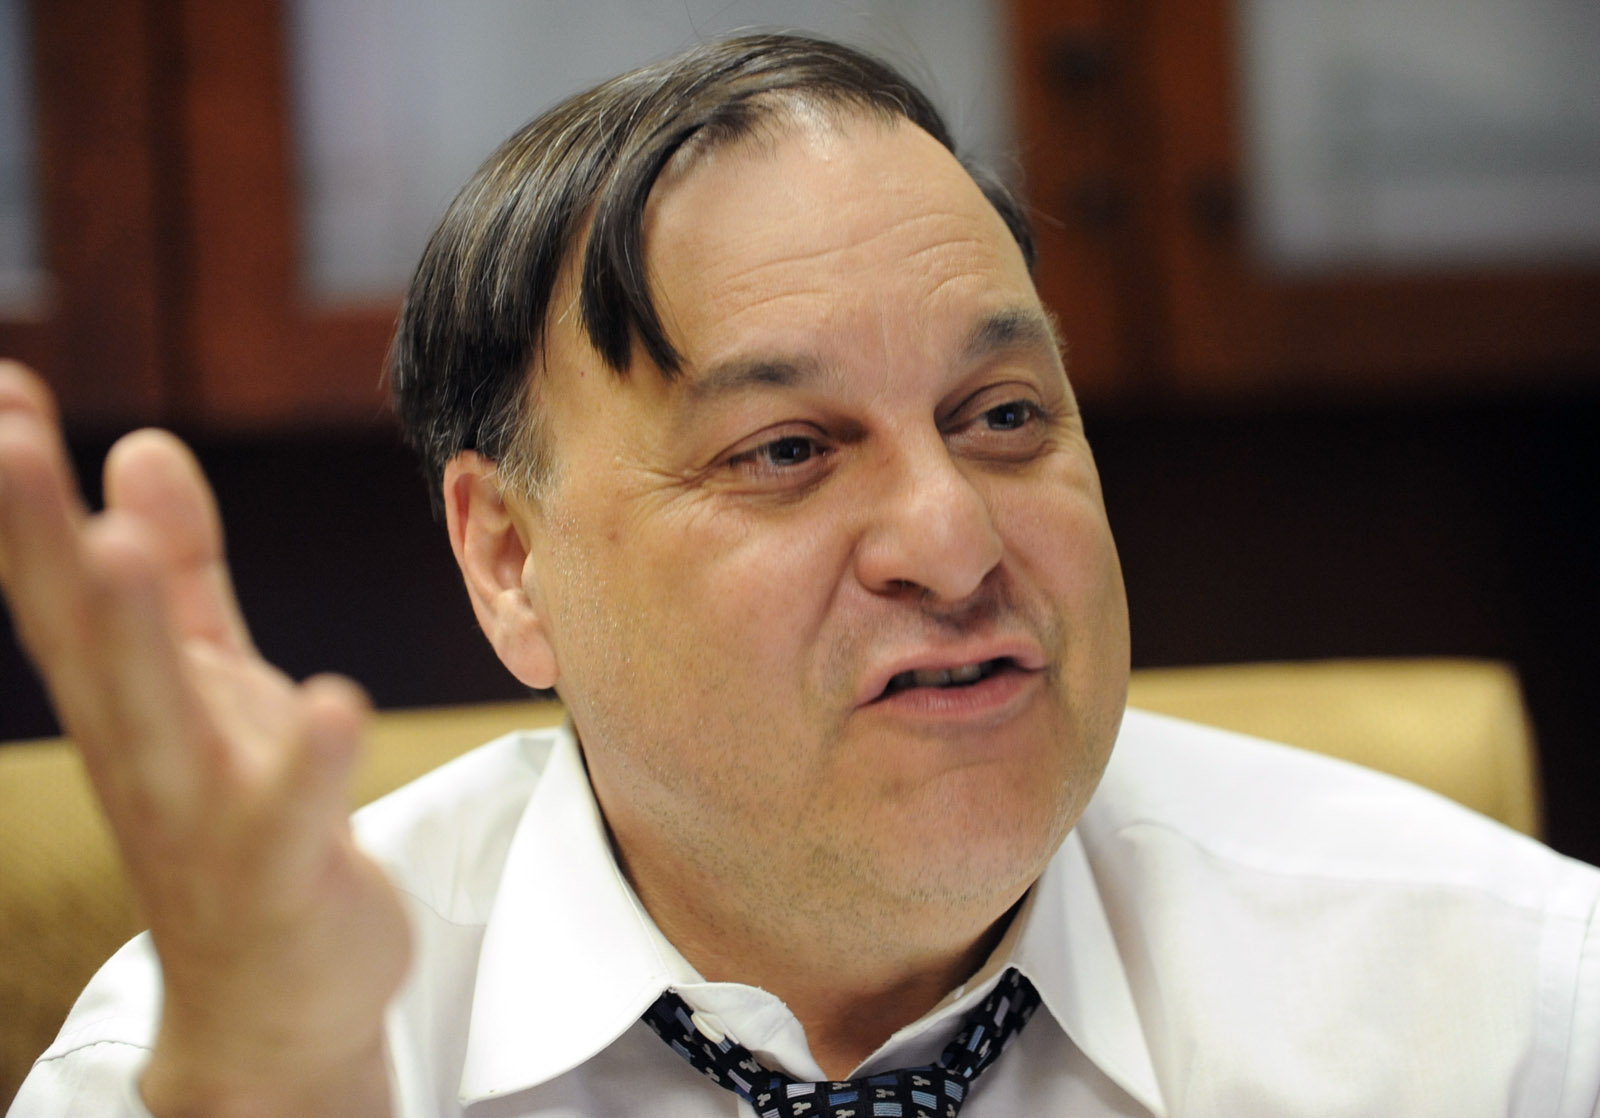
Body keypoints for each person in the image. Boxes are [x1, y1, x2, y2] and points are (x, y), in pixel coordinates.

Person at [2, 31, 1597, 1118]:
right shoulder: (239, 1053)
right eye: (785, 449)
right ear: (510, 558)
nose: (954, 544)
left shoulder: (1501, 1001)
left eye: (1002, 416)